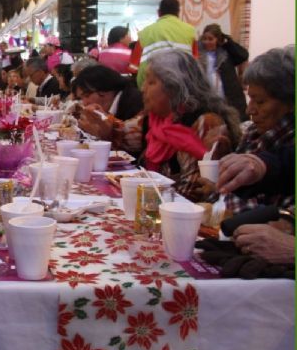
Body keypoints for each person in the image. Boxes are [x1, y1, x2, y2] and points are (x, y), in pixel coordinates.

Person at [101, 49, 241, 201]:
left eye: (151, 82)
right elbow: (121, 134)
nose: (143, 89)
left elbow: (193, 191)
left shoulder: (204, 122)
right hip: (155, 204)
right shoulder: (156, 119)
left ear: (174, 87)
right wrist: (100, 120)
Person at [220, 46, 294, 214]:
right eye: (250, 99)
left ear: (290, 102)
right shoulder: (253, 134)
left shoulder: (288, 143)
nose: (249, 110)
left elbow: (277, 214)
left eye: (260, 101)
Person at [129, 0, 198, 89]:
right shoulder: (190, 31)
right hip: (181, 88)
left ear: (159, 12)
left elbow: (134, 67)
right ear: (178, 12)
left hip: (151, 87)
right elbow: (195, 62)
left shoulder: (145, 33)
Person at [197, 23, 250, 121]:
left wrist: (227, 41)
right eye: (205, 38)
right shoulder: (198, 54)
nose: (207, 42)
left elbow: (243, 55)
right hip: (208, 101)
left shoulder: (226, 53)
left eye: (210, 39)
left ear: (217, 39)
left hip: (229, 99)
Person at [75, 65, 144, 133]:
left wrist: (103, 125)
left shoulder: (134, 102)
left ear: (104, 88)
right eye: (81, 98)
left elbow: (130, 136)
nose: (84, 103)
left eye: (87, 95)